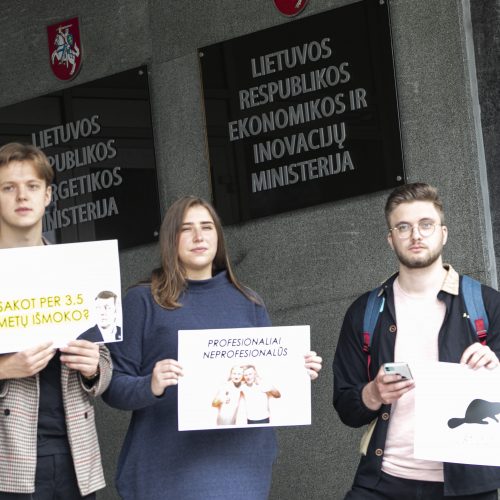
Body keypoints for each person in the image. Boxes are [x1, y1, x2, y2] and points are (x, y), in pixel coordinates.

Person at [103, 195, 322, 500]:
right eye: (186, 229)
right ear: (170, 239)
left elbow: (268, 377)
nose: (198, 236)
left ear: (218, 236)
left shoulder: (249, 302)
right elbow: (112, 386)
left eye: (207, 227)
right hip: (167, 470)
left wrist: (296, 373)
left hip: (242, 468)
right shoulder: (142, 301)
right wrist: (149, 385)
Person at [333, 182, 500, 499]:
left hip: (469, 486)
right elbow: (345, 406)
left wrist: (496, 367)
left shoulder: (487, 305)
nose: (416, 235)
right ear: (391, 239)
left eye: (426, 225)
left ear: (444, 233)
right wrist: (372, 393)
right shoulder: (366, 312)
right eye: (403, 227)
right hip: (385, 480)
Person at [0, 142, 112, 499]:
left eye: (32, 186)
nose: (22, 195)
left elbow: (107, 363)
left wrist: (94, 367)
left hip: (75, 458)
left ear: (48, 196)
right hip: (8, 461)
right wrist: (5, 368)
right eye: (8, 187)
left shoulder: (79, 270)